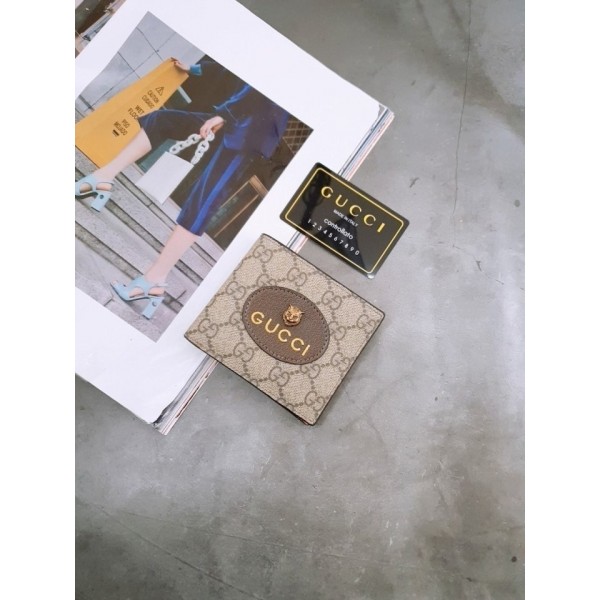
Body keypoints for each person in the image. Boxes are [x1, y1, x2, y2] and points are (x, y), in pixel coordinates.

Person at [75, 59, 290, 319]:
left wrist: (225, 114)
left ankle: (154, 281)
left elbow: (269, 87)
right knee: (162, 119)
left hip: (250, 130)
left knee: (204, 199)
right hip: (234, 113)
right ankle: (102, 179)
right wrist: (196, 69)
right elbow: (238, 64)